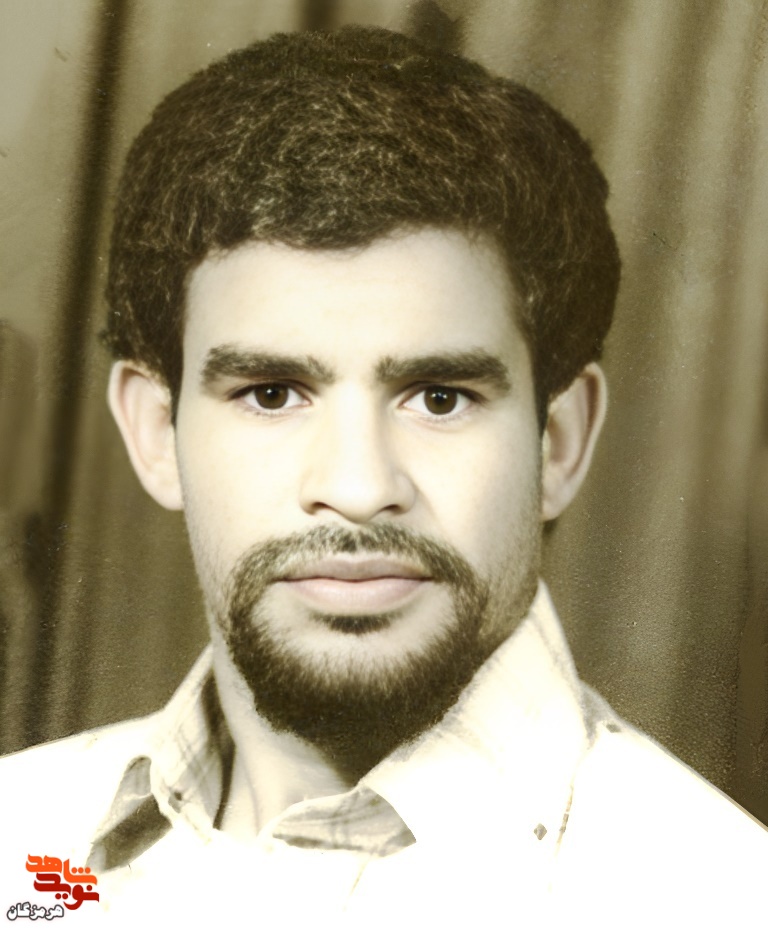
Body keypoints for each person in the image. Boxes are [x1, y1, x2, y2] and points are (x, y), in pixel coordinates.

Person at [1, 25, 764, 928]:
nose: (359, 487)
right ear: (153, 434)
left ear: (557, 443)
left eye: (439, 398)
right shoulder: (21, 842)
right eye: (272, 393)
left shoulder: (723, 901)